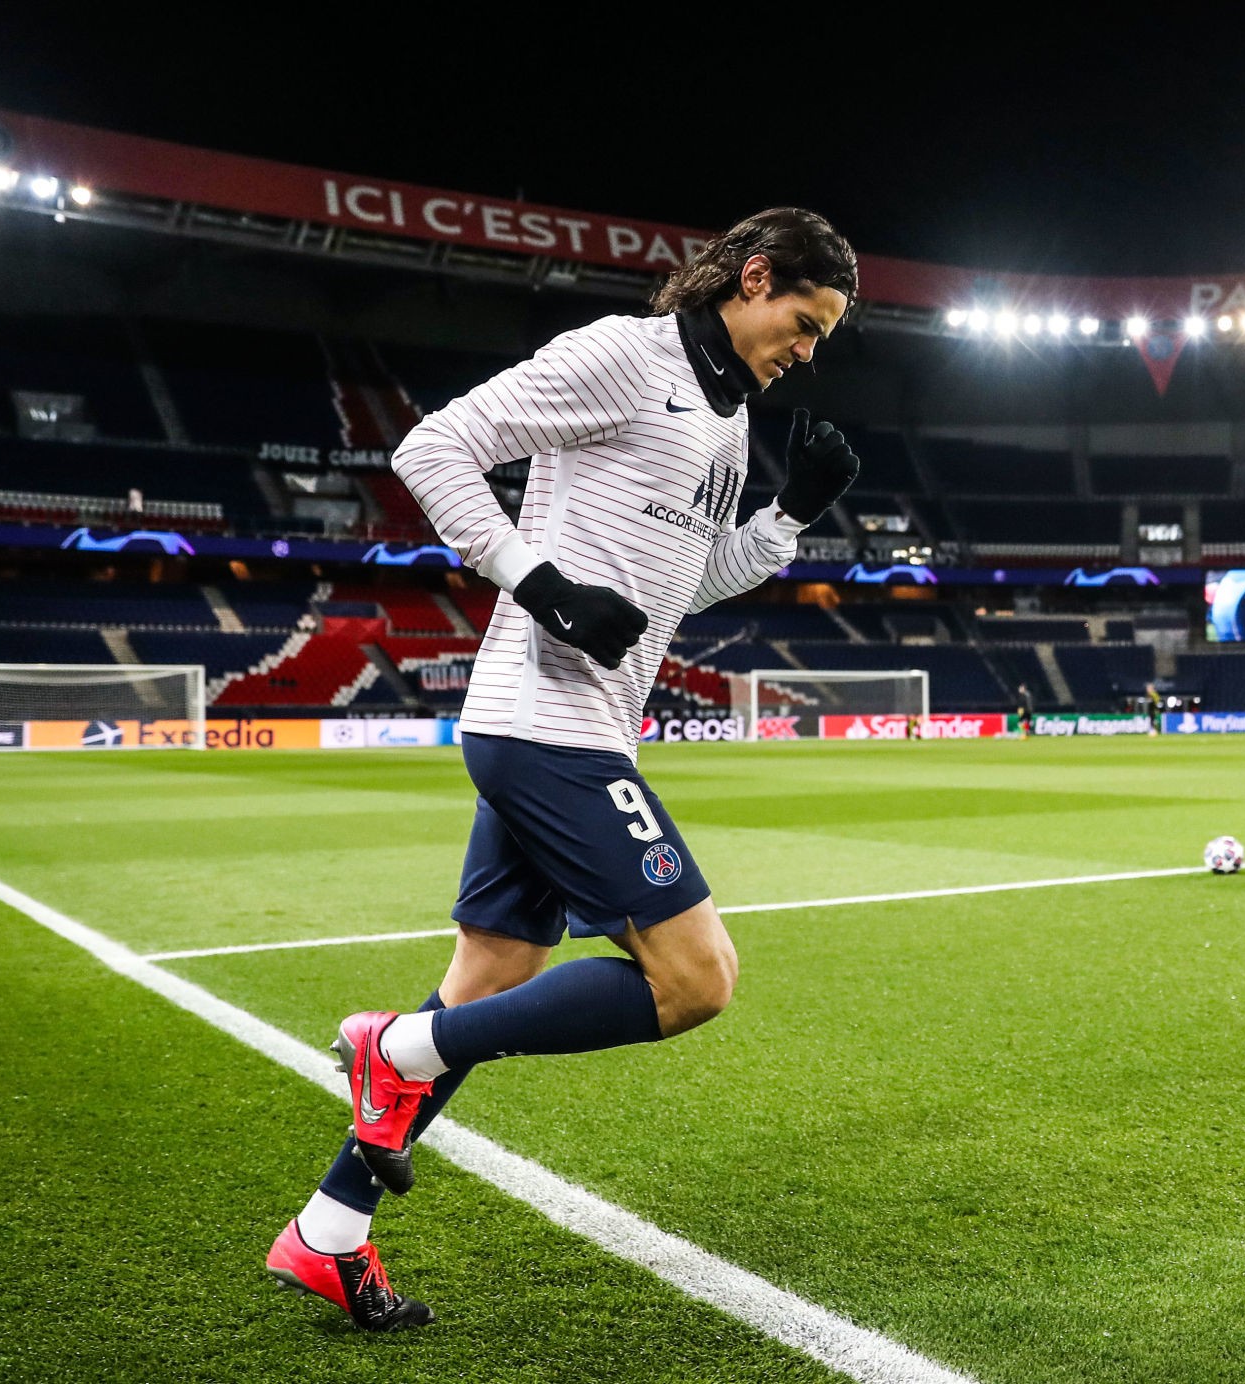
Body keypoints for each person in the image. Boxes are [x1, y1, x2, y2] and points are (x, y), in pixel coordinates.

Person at [264, 208, 860, 1330]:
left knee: (492, 970)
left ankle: (328, 1231)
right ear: (754, 275)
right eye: (805, 321)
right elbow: (433, 446)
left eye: (823, 337)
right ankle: (396, 1047)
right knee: (695, 980)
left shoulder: (727, 424)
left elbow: (689, 580)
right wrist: (539, 582)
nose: (808, 350)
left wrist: (789, 516)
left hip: (581, 723)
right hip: (549, 723)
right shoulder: (624, 355)